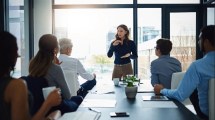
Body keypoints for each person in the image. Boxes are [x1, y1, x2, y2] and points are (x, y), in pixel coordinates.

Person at [154, 25, 215, 120]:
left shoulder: (198, 66)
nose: (198, 42)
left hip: (207, 116)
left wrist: (162, 90)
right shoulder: (177, 62)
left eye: (200, 39)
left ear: (206, 42)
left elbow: (180, 95)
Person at [0, 31, 62, 120]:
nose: (18, 55)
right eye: (16, 50)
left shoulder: (33, 64)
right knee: (57, 113)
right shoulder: (16, 86)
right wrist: (48, 103)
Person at [28, 34, 83, 114]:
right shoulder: (55, 68)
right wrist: (57, 66)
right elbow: (67, 96)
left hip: (38, 105)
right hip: (55, 106)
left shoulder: (33, 65)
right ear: (55, 50)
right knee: (79, 98)